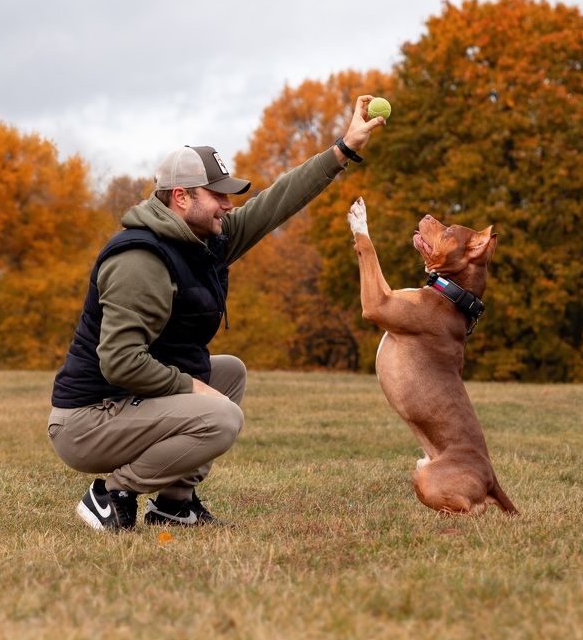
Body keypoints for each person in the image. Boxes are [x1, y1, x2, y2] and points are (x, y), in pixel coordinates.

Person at [48, 95, 385, 531]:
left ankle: (174, 504)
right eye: (218, 196)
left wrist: (343, 148)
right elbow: (119, 361)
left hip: (122, 405)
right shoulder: (141, 260)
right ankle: (112, 494)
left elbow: (276, 202)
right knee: (221, 415)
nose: (228, 206)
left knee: (229, 373)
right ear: (181, 197)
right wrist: (191, 388)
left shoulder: (203, 239)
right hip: (87, 422)